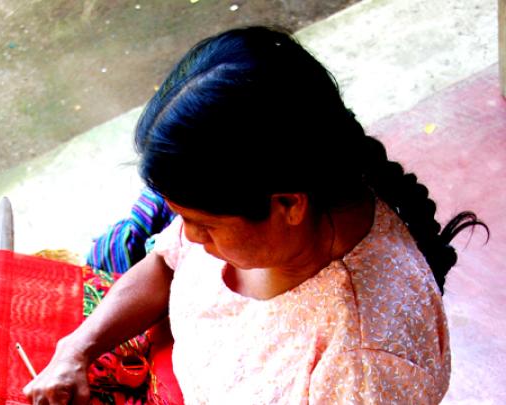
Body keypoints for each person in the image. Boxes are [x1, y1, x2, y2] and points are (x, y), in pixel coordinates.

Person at [24, 26, 488, 404]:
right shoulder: (262, 207)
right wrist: (77, 349)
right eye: (182, 216)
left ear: (288, 204)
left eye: (204, 225)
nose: (188, 237)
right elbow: (166, 262)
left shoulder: (359, 370)